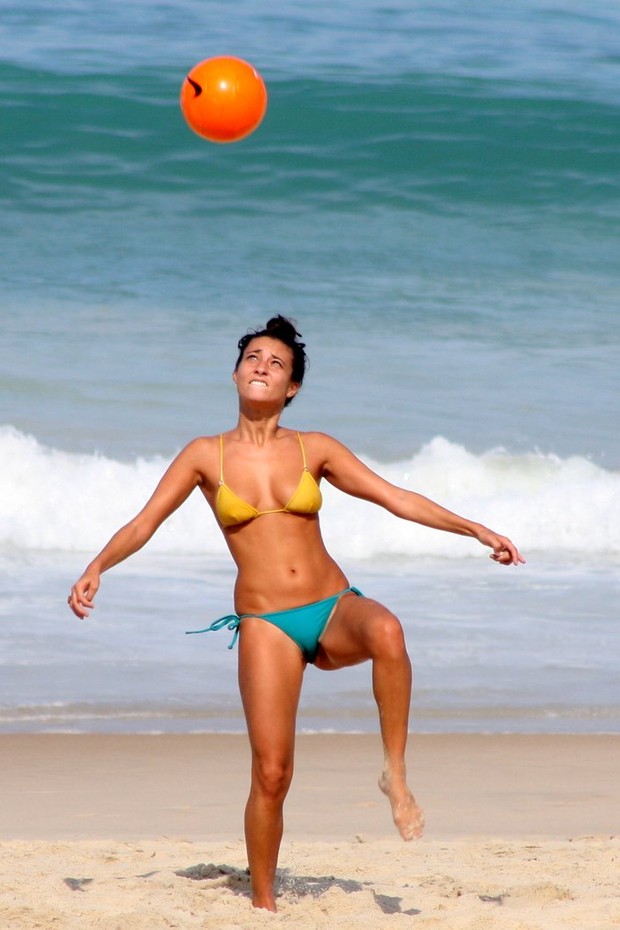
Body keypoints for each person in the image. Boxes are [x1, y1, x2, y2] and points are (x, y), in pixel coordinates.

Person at [68, 315, 524, 911]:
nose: (262, 366)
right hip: (266, 625)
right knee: (272, 773)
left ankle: (396, 774)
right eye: (253, 357)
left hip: (332, 607)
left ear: (292, 389)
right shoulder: (205, 456)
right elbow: (144, 523)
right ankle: (264, 904)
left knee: (387, 628)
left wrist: (475, 529)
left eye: (276, 363)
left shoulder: (316, 448)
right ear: (234, 374)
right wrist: (98, 566)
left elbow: (396, 498)